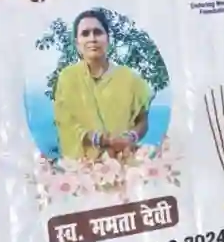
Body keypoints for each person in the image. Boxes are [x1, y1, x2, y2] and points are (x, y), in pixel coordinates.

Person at [52, 9, 150, 161]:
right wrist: (99, 139)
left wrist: (130, 138)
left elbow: (142, 120)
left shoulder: (130, 78)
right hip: (82, 165)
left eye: (97, 32)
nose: (92, 38)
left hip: (123, 162)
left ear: (108, 39)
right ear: (77, 44)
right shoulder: (68, 78)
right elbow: (65, 122)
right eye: (85, 34)